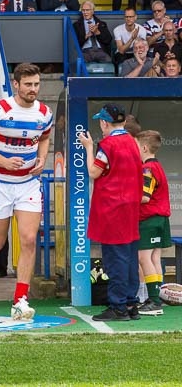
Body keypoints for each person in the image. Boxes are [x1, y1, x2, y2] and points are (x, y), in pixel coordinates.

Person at [0, 63, 53, 320]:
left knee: (29, 239)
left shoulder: (44, 113)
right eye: (28, 84)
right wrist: (3, 161)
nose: (33, 89)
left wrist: (41, 158)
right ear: (16, 84)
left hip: (28, 184)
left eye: (37, 84)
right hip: (0, 184)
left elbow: (44, 137)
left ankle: (20, 298)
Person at [79, 104, 142, 321]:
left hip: (112, 208)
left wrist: (88, 147)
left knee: (116, 260)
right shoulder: (133, 143)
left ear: (105, 122)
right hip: (131, 207)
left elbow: (93, 172)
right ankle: (131, 303)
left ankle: (118, 306)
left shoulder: (107, 144)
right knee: (130, 257)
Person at [135, 130, 172, 316]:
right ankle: (156, 297)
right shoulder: (158, 166)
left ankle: (154, 301)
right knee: (154, 258)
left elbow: (144, 197)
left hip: (149, 219)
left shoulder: (147, 169)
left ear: (143, 147)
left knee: (143, 259)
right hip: (161, 219)